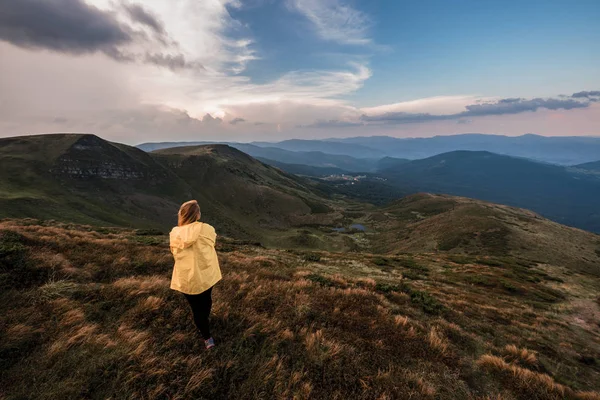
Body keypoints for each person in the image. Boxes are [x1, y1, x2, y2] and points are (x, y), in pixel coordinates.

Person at [169, 200, 222, 349]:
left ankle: (204, 329)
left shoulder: (175, 233)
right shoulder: (207, 229)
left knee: (196, 307)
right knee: (206, 302)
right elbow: (211, 243)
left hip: (185, 277)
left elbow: (174, 252)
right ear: (197, 214)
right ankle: (206, 335)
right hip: (205, 275)